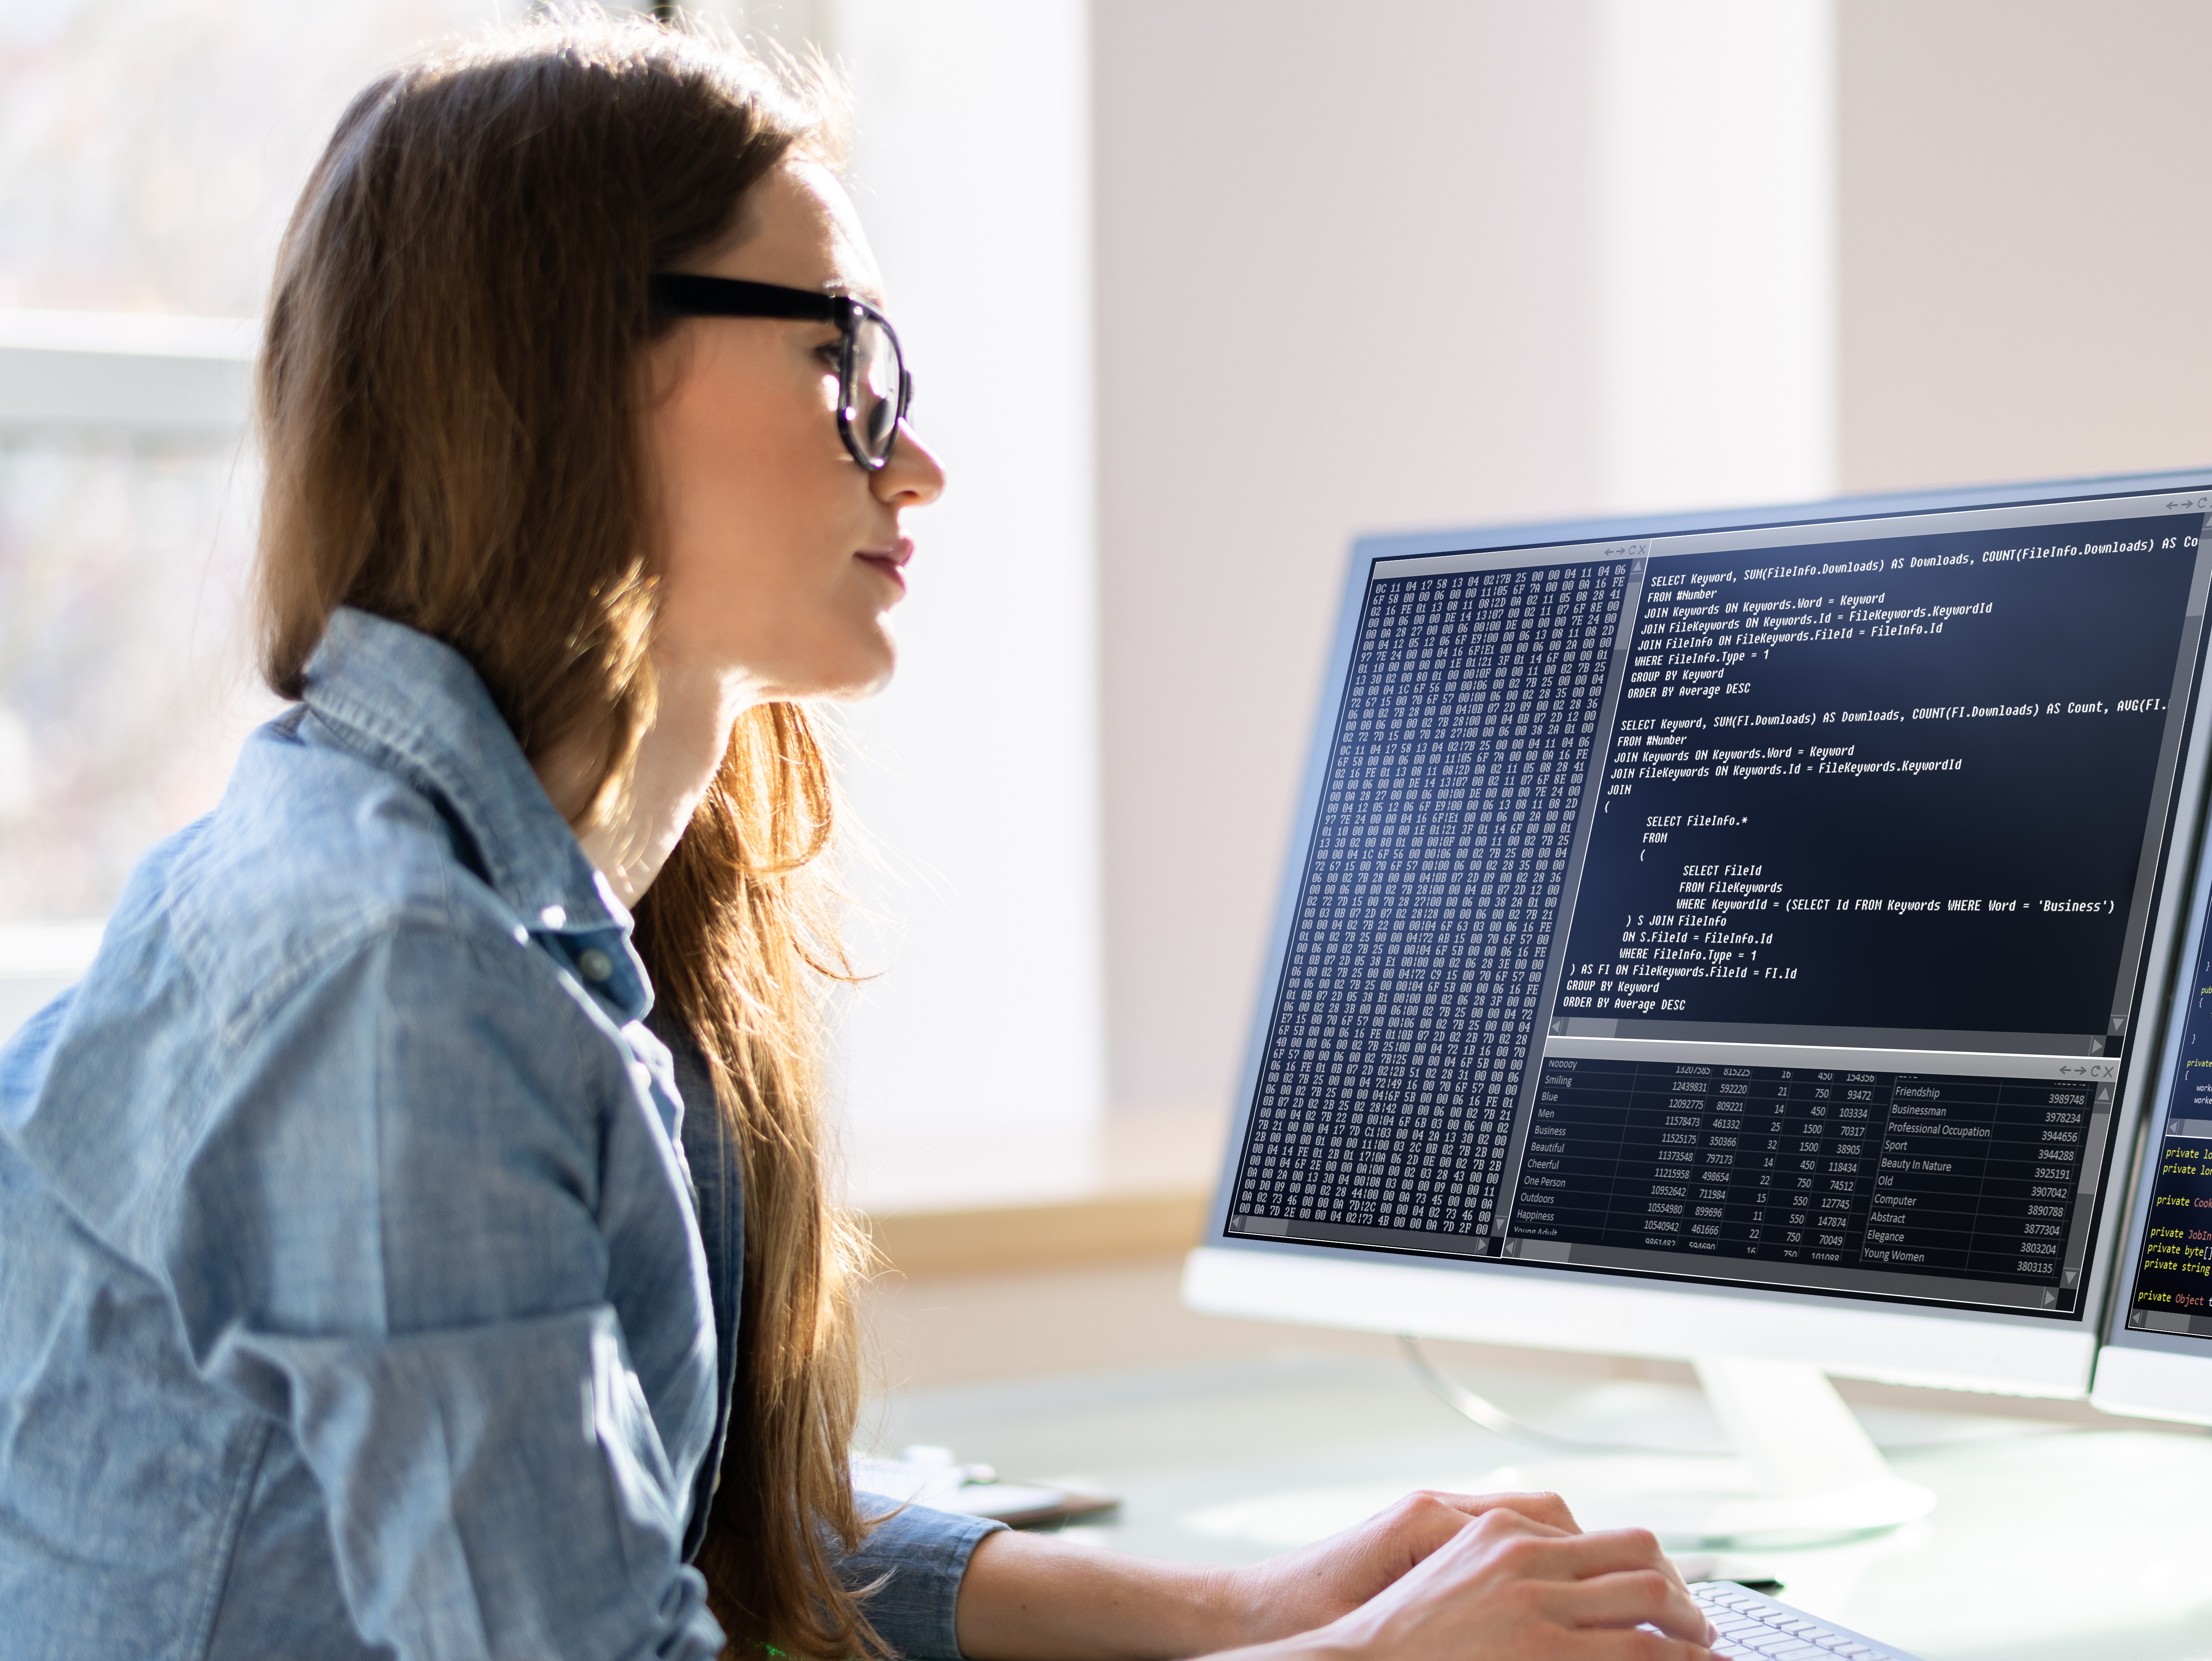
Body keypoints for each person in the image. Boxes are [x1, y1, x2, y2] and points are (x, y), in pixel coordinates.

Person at [0, 15, 1714, 1661]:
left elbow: (637, 1520)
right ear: (569, 372)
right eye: (844, 358)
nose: (922, 465)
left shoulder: (490, 898)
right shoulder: (397, 976)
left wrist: (1246, 1607)